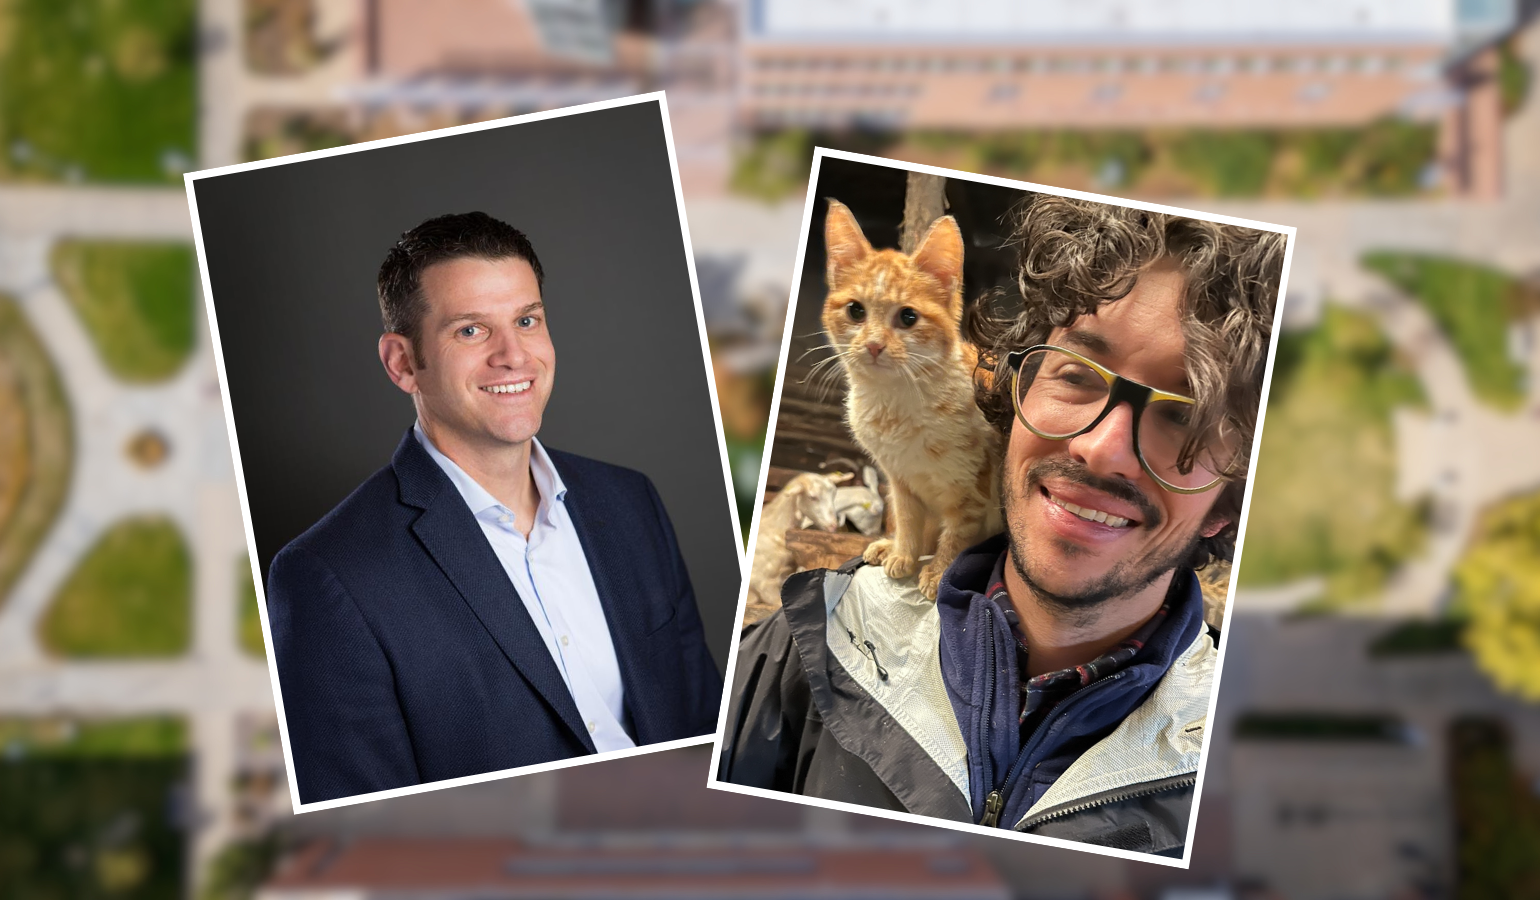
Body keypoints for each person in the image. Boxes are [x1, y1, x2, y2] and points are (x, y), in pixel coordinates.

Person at [717, 195, 1284, 855]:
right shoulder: (808, 641)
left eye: (1182, 413)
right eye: (1077, 374)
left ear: (1232, 496)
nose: (1100, 447)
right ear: (1014, 393)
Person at [268, 211, 722, 804]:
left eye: (526, 320)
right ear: (403, 363)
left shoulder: (630, 502)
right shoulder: (327, 579)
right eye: (470, 331)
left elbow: (706, 725)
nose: (514, 356)